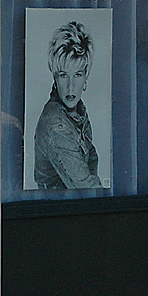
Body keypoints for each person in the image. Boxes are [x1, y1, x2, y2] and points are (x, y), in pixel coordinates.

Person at [33, 20, 103, 189]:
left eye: (77, 75)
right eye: (64, 75)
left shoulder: (77, 111)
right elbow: (87, 189)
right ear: (55, 78)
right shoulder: (57, 126)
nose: (71, 86)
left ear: (86, 76)